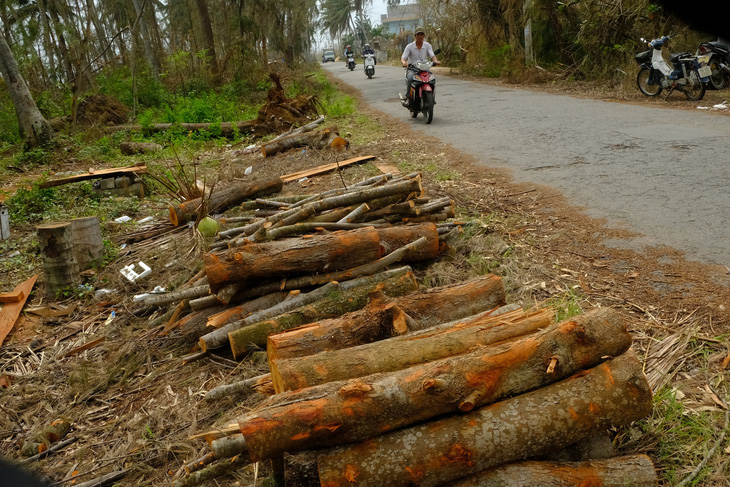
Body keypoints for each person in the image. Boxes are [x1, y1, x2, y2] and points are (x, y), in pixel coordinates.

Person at [400, 26, 440, 106]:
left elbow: (432, 55)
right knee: (410, 78)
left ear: (424, 36)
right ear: (415, 36)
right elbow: (403, 58)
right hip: (412, 69)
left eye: (422, 34)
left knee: (432, 79)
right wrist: (404, 62)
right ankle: (408, 98)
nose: (420, 36)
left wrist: (435, 61)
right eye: (418, 34)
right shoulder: (410, 46)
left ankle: (431, 98)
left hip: (424, 68)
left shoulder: (427, 45)